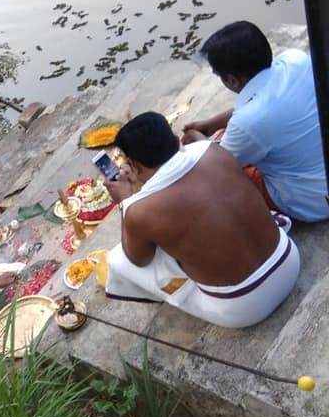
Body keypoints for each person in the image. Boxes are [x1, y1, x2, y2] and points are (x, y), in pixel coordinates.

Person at [103, 112, 300, 328]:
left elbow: (138, 260)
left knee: (118, 260)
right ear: (176, 141)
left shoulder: (137, 210)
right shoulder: (214, 150)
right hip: (289, 260)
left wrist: (125, 201)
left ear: (134, 166)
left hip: (244, 308)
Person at [181, 21, 329, 222]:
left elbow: (218, 166)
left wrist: (198, 138)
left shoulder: (247, 123)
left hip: (313, 201)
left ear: (232, 80)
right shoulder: (296, 60)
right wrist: (212, 123)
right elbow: (262, 103)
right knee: (232, 139)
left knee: (212, 178)